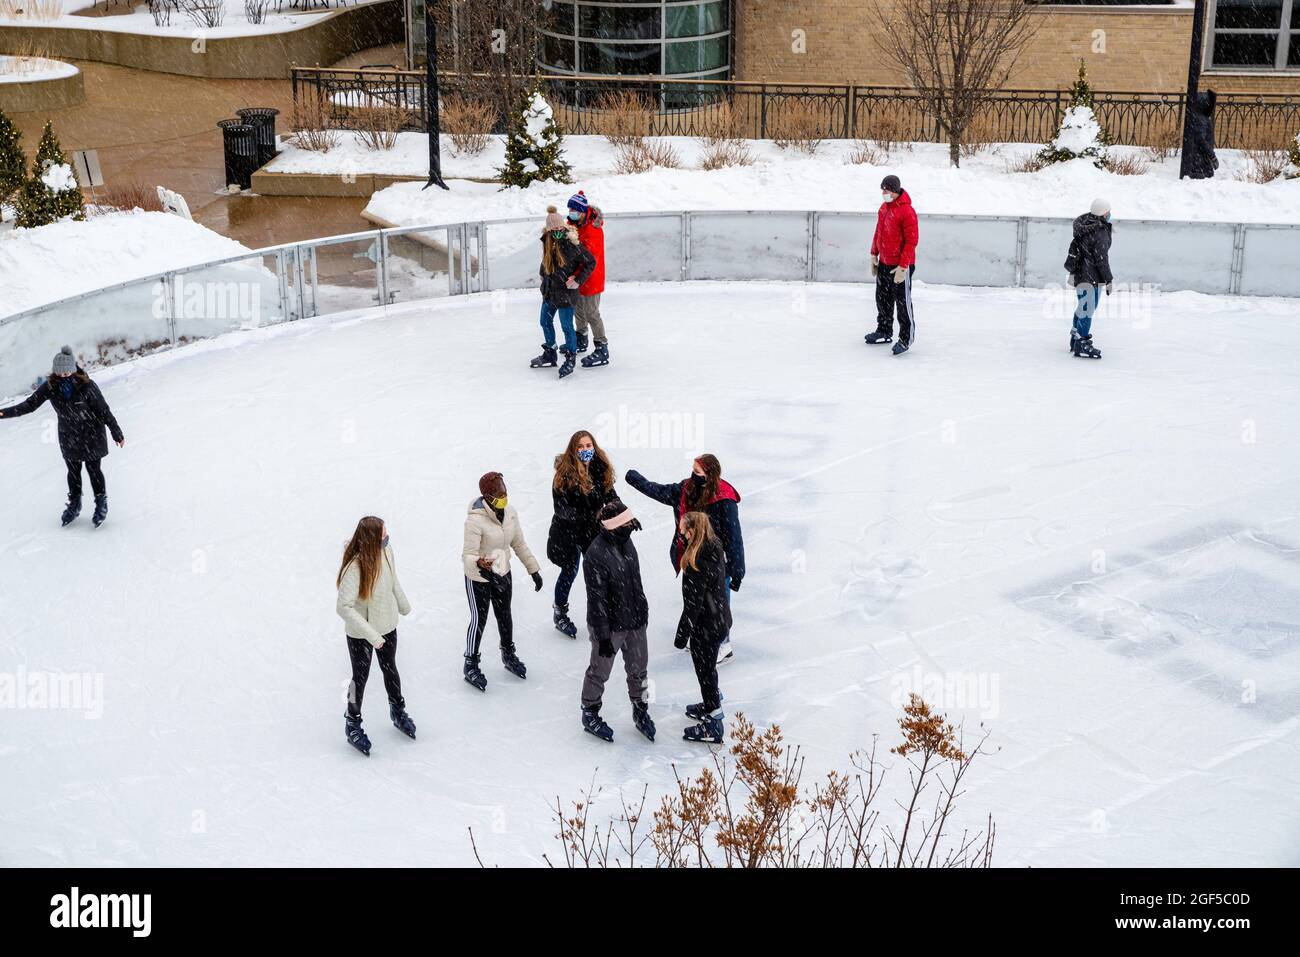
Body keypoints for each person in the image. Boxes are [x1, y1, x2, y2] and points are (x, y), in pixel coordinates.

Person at [625, 454, 744, 663]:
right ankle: (701, 635)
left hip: (716, 562)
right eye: (693, 470)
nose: (693, 475)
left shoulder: (724, 498)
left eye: (698, 472)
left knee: (718, 604)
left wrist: (737, 570)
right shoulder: (685, 489)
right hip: (690, 557)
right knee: (694, 599)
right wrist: (635, 479)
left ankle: (723, 644)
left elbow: (734, 537)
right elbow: (659, 491)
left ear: (710, 475)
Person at [0, 346, 124, 528]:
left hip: (92, 433)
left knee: (93, 470)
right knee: (73, 472)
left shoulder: (87, 386)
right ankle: (75, 503)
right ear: (56, 371)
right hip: (69, 436)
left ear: (73, 368)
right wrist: (3, 413)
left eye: (68, 370)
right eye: (61, 371)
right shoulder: (50, 387)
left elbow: (103, 410)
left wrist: (116, 432)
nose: (65, 374)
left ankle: (100, 502)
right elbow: (29, 405)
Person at [336, 516, 415, 756]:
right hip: (362, 633)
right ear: (371, 540)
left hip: (387, 624)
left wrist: (403, 604)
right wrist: (371, 635)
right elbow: (344, 607)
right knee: (358, 678)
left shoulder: (386, 550)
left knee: (390, 668)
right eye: (382, 535)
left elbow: (393, 580)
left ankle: (397, 709)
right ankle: (352, 721)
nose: (387, 538)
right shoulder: (355, 567)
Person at [580, 501, 654, 743]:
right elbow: (597, 599)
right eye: (628, 523)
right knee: (599, 671)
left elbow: (636, 580)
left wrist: (642, 608)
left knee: (640, 669)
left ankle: (642, 709)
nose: (632, 526)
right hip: (609, 626)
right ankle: (589, 712)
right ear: (614, 526)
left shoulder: (626, 541)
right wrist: (602, 637)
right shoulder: (595, 554)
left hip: (634, 619)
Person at [462, 471, 543, 692]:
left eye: (505, 491)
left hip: (502, 572)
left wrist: (533, 569)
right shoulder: (474, 521)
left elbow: (519, 544)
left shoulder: (510, 513)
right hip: (479, 577)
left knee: (504, 615)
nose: (504, 496)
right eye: (499, 493)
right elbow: (467, 555)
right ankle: (470, 662)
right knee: (479, 619)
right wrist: (479, 563)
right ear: (487, 496)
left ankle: (508, 653)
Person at [547, 430, 618, 639]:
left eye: (588, 446)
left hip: (590, 533)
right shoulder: (563, 475)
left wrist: (624, 515)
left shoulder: (599, 469)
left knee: (597, 572)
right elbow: (561, 509)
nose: (585, 450)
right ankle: (560, 611)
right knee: (570, 571)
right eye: (580, 447)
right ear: (573, 449)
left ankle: (601, 614)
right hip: (567, 534)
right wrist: (587, 514)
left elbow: (611, 497)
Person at [674, 512, 732, 744]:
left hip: (706, 625)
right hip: (719, 619)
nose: (681, 535)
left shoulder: (697, 562)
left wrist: (681, 636)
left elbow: (693, 605)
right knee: (707, 669)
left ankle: (714, 721)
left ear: (693, 532)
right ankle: (711, 701)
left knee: (705, 671)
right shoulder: (714, 547)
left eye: (683, 531)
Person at [529, 205, 597, 380]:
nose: (558, 230)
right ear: (549, 228)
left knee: (567, 327)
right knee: (544, 321)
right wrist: (543, 277)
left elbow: (590, 262)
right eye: (554, 228)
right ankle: (550, 352)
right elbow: (545, 263)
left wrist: (577, 280)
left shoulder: (571, 243)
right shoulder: (547, 240)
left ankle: (570, 358)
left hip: (566, 293)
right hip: (550, 292)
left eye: (560, 227)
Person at [865, 174, 920, 355]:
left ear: (895, 191)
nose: (884, 193)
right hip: (885, 262)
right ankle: (884, 330)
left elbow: (912, 242)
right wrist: (874, 254)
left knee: (902, 303)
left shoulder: (907, 211)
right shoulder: (884, 208)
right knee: (882, 299)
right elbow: (878, 233)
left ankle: (906, 338)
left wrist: (903, 267)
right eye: (882, 189)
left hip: (900, 266)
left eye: (886, 189)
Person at [1064, 197, 1113, 360]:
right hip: (1091, 276)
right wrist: (1108, 279)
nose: (1110, 214)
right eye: (1108, 212)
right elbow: (1101, 259)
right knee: (1088, 309)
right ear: (1103, 214)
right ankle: (1082, 343)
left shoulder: (1084, 224)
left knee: (1083, 306)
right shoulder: (1099, 231)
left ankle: (1075, 336)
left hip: (1079, 274)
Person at [566, 190, 610, 368]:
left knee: (592, 313)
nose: (571, 213)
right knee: (578, 310)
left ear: (583, 211)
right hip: (577, 278)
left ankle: (602, 348)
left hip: (591, 279)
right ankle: (581, 339)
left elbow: (588, 258)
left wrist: (576, 276)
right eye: (569, 209)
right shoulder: (574, 225)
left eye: (574, 210)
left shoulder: (593, 230)